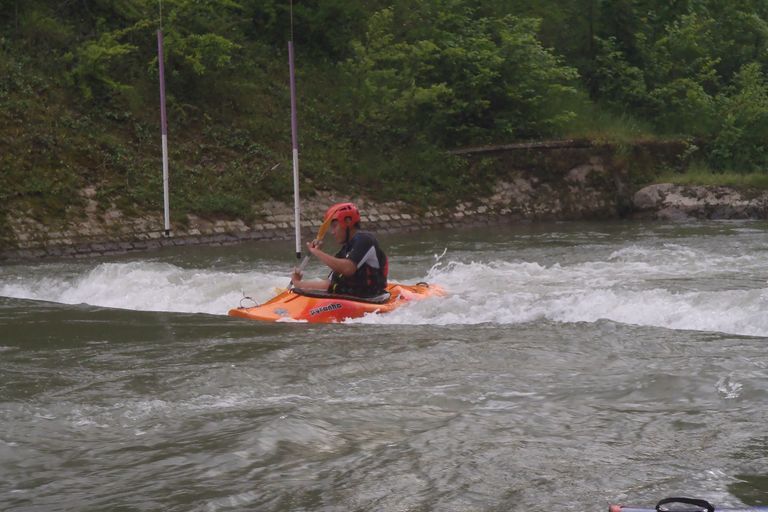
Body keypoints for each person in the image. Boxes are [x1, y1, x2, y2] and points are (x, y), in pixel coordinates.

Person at [290, 202, 388, 298]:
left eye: (334, 226)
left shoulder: (365, 240)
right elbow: (328, 284)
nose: (332, 232)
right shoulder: (344, 251)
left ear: (348, 222)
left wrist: (317, 252)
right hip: (347, 299)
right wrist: (298, 284)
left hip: (371, 299)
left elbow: (348, 269)